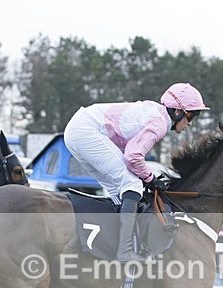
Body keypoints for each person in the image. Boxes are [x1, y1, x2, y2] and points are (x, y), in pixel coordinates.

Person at [64, 82, 209, 262]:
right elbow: (133, 156)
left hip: (77, 130)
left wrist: (146, 177)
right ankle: (124, 251)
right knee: (131, 183)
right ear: (178, 111)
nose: (190, 123)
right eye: (191, 116)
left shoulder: (155, 113)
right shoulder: (159, 123)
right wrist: (150, 178)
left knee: (118, 189)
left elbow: (130, 155)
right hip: (85, 130)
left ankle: (115, 243)